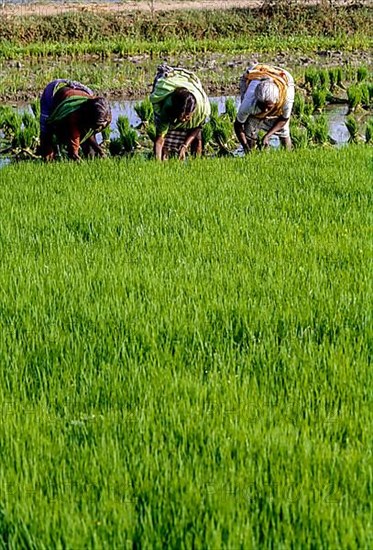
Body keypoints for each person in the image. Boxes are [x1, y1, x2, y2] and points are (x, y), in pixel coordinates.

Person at [39, 79, 112, 161]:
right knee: (47, 134)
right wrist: (78, 160)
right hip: (54, 98)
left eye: (103, 126)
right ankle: (48, 160)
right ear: (90, 119)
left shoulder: (100, 113)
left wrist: (100, 150)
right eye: (98, 126)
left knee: (90, 150)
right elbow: (73, 150)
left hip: (80, 92)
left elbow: (89, 134)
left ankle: (91, 159)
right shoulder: (74, 117)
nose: (100, 129)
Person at [150, 65, 211, 160]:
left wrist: (185, 145)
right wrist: (158, 165)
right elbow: (159, 140)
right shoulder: (167, 107)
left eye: (187, 117)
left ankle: (196, 163)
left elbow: (198, 127)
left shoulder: (201, 110)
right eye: (181, 116)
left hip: (190, 83)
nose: (183, 120)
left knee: (197, 137)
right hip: (167, 80)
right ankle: (164, 159)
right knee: (166, 135)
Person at [234, 63, 295, 152]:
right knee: (250, 124)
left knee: (284, 130)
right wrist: (245, 146)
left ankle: (288, 153)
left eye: (269, 107)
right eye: (262, 106)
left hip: (283, 78)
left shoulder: (286, 98)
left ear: (276, 102)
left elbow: (284, 119)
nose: (265, 110)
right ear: (257, 100)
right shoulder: (249, 102)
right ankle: (251, 153)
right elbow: (238, 124)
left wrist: (268, 135)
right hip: (254, 74)